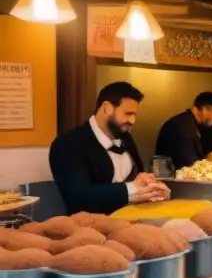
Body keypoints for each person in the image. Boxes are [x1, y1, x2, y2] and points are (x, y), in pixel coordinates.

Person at [49, 82, 170, 215]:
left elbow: (137, 179)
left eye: (135, 115)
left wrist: (151, 189)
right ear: (106, 108)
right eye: (128, 113)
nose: (133, 121)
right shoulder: (68, 144)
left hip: (134, 217)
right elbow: (78, 196)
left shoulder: (126, 138)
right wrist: (131, 189)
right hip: (91, 226)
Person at [154, 92, 212, 171]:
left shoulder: (185, 123)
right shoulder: (183, 127)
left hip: (171, 177)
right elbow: (189, 165)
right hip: (172, 180)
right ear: (205, 109)